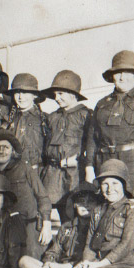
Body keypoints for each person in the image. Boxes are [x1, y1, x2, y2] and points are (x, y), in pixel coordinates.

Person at [67, 160, 134, 268]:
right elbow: (90, 244)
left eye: (115, 183)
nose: (110, 188)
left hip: (123, 266)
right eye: (105, 184)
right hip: (100, 264)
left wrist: (98, 265)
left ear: (124, 186)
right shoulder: (98, 211)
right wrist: (86, 263)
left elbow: (125, 246)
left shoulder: (133, 210)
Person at [18, 183, 100, 268]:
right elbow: (54, 250)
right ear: (75, 205)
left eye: (91, 201)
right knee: (24, 261)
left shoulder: (97, 228)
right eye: (81, 201)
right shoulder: (66, 227)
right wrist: (47, 266)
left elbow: (93, 257)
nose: (86, 205)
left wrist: (66, 266)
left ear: (97, 204)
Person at [0, 130, 53, 260]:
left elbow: (43, 197)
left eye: (6, 147)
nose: (1, 151)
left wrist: (47, 225)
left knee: (30, 266)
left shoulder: (24, 168)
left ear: (12, 151)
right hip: (4, 230)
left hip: (29, 229)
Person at [87, 50, 134, 197]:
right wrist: (89, 167)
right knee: (108, 204)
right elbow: (92, 138)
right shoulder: (102, 104)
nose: (122, 77)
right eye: (118, 73)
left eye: (127, 73)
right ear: (112, 77)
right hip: (105, 162)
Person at [40, 70, 91, 211]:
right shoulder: (52, 118)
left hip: (74, 175)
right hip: (52, 176)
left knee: (75, 214)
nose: (56, 98)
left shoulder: (85, 116)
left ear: (73, 94)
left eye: (60, 94)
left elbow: (91, 146)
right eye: (55, 94)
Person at [4, 73, 48, 170]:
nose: (20, 97)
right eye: (17, 93)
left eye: (25, 93)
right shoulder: (8, 120)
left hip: (37, 172)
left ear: (35, 95)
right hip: (13, 172)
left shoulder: (45, 119)